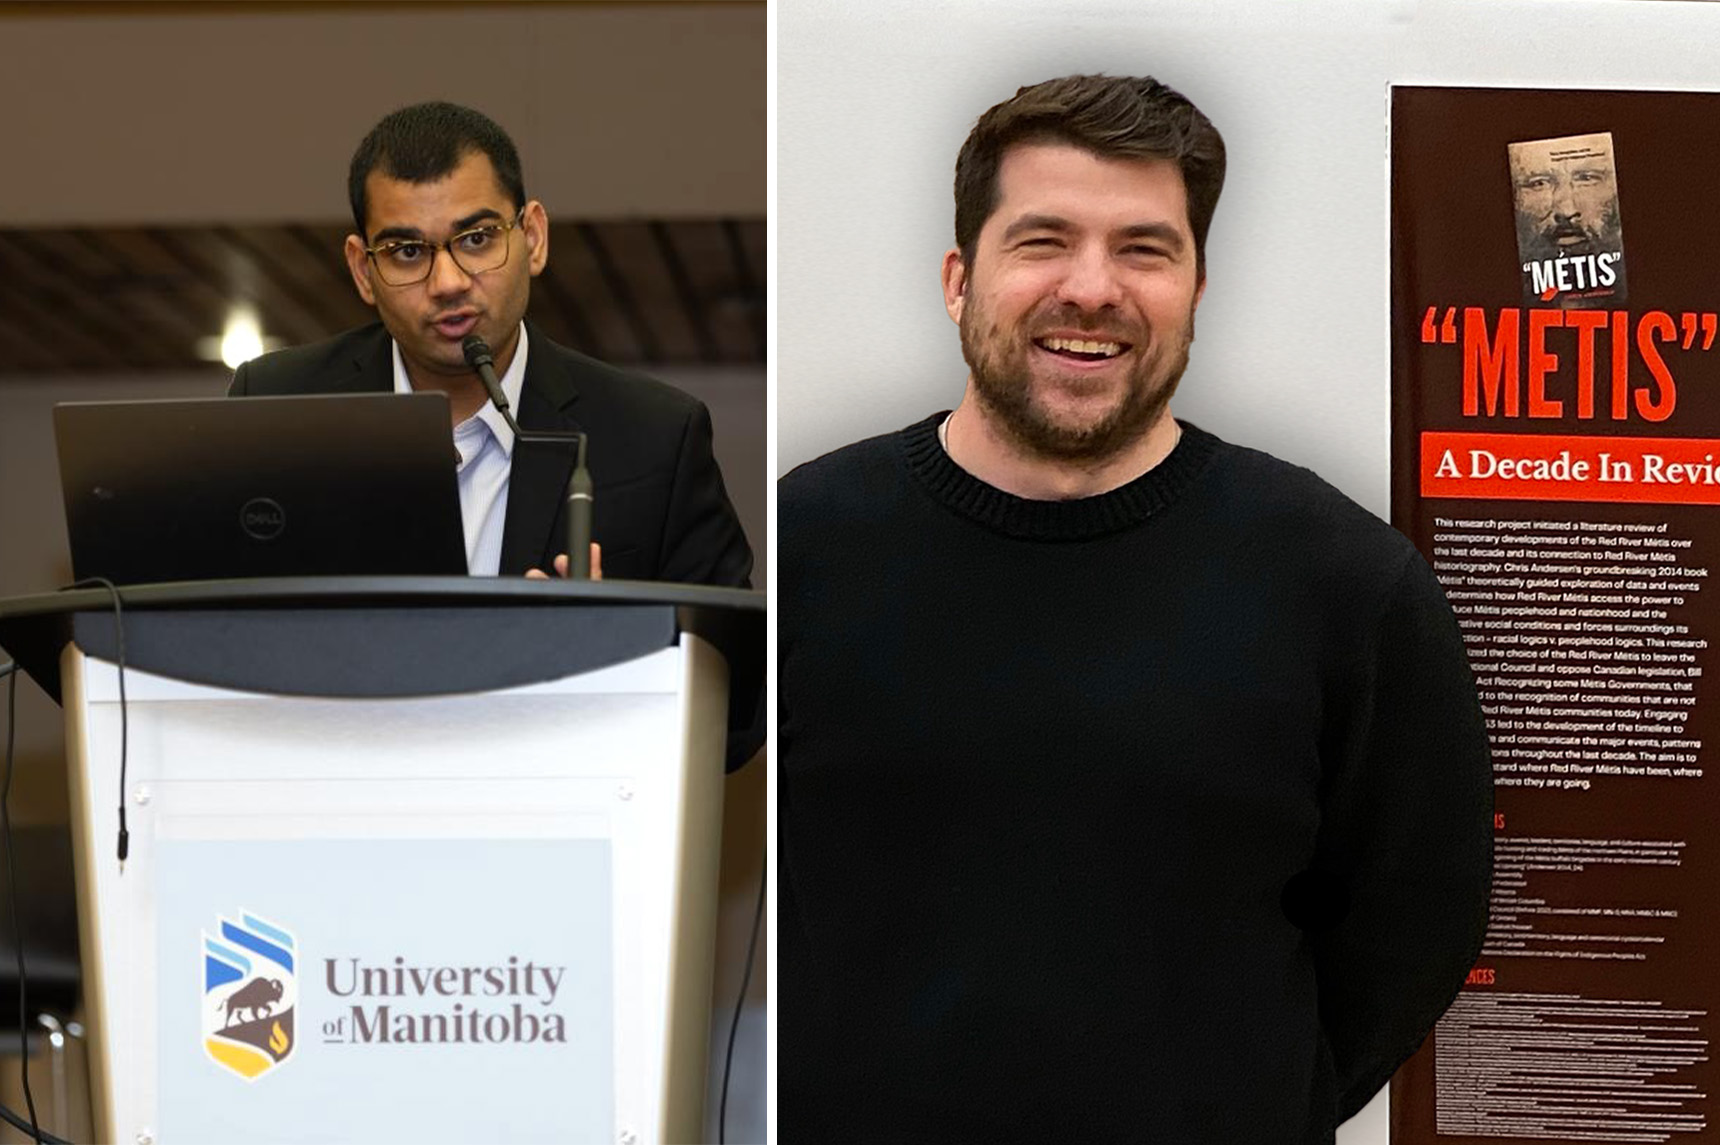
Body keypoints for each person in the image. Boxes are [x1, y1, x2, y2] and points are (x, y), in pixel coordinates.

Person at [778, 75, 1493, 1142]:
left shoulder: (1344, 580)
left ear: (1197, 288)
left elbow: (1414, 923)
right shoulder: (804, 545)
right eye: (1042, 240)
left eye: (1144, 249)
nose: (1091, 287)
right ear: (957, 279)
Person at [229, 101, 753, 588]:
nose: (448, 282)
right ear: (364, 271)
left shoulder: (655, 437)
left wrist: (610, 649)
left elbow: (734, 665)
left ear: (533, 237)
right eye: (407, 251)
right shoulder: (276, 405)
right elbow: (207, 626)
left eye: (477, 239)